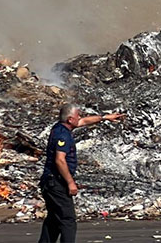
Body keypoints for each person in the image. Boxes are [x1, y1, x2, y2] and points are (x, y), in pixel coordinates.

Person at [39, 104, 126, 243]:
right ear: (69, 119)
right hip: (56, 182)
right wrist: (70, 182)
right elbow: (60, 160)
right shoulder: (63, 135)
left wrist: (105, 118)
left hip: (50, 182)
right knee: (68, 220)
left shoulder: (60, 127)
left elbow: (84, 121)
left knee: (54, 218)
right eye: (77, 116)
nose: (80, 118)